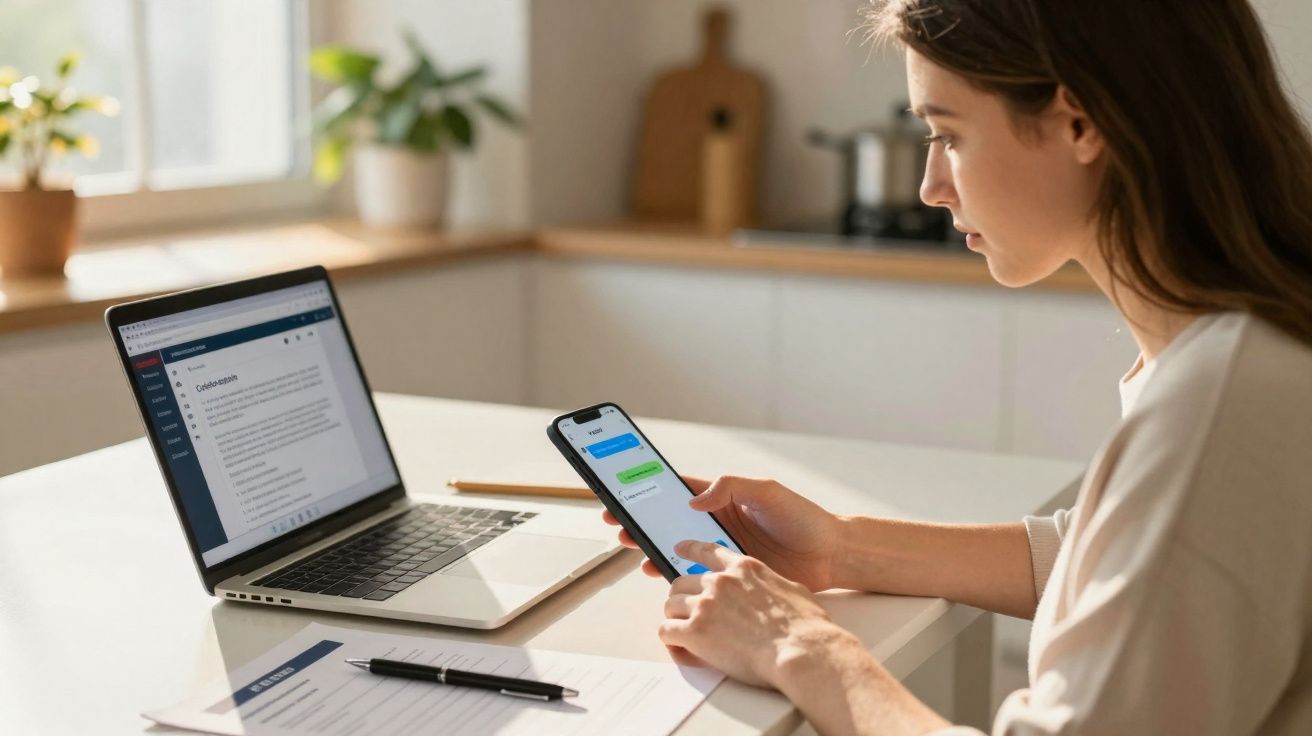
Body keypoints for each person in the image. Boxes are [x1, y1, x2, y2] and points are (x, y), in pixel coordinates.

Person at [601, 1, 1312, 733]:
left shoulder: (1223, 404)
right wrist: (842, 548)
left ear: (1081, 121)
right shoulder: (1251, 348)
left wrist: (801, 646)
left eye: (947, 134)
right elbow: (1124, 561)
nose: (930, 186)